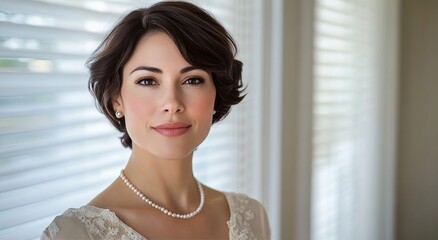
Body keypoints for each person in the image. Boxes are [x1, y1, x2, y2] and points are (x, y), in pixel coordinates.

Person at [41, 1, 270, 239]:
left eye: (192, 80)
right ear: (116, 99)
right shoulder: (75, 234)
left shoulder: (252, 216)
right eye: (148, 81)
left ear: (216, 93)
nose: (172, 103)